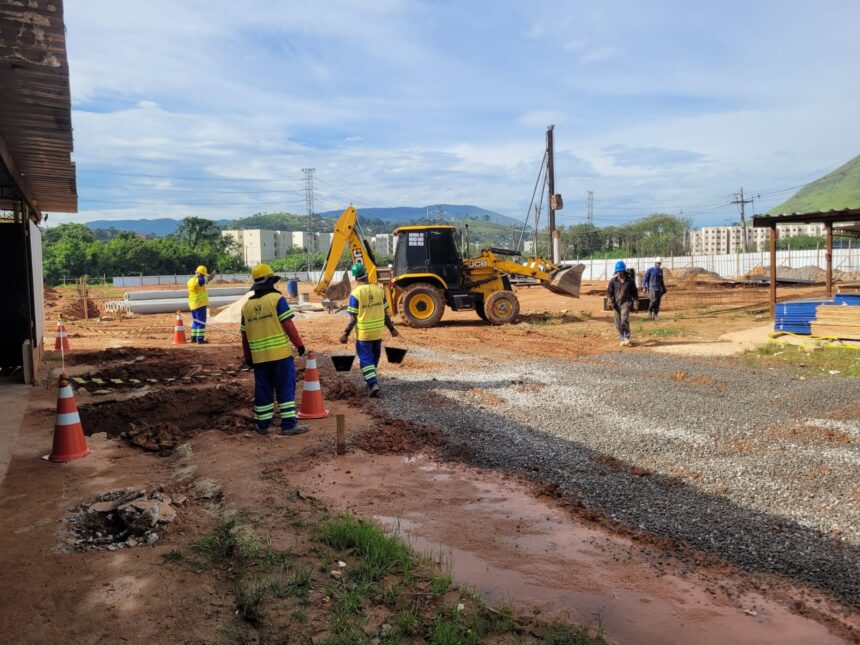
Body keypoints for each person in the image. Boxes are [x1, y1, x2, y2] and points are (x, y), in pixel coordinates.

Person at [241, 263, 308, 436]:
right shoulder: (277, 300)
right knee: (285, 389)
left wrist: (248, 357)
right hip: (280, 356)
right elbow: (288, 325)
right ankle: (288, 425)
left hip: (259, 359)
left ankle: (262, 425)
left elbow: (245, 336)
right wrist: (299, 345)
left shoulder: (246, 307)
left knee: (263, 390)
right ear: (270, 281)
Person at [339, 262, 399, 397]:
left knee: (366, 359)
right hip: (377, 332)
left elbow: (353, 318)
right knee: (374, 358)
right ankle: (370, 380)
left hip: (364, 334)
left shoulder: (355, 294)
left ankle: (372, 384)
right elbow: (385, 313)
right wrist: (392, 329)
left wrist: (345, 334)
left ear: (355, 279)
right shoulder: (379, 290)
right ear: (366, 275)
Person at [607, 260, 638, 347]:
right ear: (616, 271)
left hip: (626, 303)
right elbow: (609, 292)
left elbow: (634, 292)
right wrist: (609, 299)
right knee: (617, 322)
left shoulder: (630, 281)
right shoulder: (613, 281)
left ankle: (627, 337)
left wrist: (636, 301)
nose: (619, 273)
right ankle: (622, 338)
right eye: (618, 271)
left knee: (624, 319)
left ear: (624, 270)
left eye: (621, 271)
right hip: (616, 304)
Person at [187, 265, 217, 343]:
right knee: (201, 322)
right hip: (199, 304)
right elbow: (209, 278)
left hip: (193, 305)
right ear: (199, 274)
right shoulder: (198, 281)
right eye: (203, 275)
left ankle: (193, 338)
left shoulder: (191, 280)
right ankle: (200, 339)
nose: (203, 276)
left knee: (195, 322)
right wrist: (215, 272)